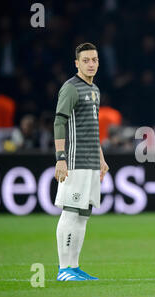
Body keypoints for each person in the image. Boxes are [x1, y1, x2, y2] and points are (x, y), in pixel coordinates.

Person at [53, 43, 109, 281]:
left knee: (83, 215)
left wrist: (102, 158)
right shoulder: (70, 88)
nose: (91, 63)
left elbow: (92, 128)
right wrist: (60, 158)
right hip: (74, 161)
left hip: (91, 161)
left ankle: (74, 267)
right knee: (70, 213)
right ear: (76, 63)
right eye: (85, 60)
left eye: (94, 59)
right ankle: (63, 269)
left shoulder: (95, 89)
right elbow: (59, 122)